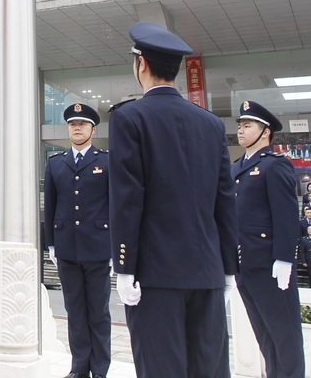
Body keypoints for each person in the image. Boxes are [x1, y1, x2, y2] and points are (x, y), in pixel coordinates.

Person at [108, 22, 237, 378]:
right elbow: (224, 199)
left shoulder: (129, 118)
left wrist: (124, 266)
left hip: (155, 275)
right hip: (207, 272)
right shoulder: (211, 124)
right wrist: (228, 267)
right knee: (207, 370)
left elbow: (127, 197)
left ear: (141, 65)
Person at [230, 100, 303, 378]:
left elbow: (286, 215)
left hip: (271, 266)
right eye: (240, 125)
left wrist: (285, 258)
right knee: (265, 336)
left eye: (248, 125)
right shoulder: (237, 167)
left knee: (284, 335)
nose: (241, 130)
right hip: (245, 264)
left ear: (266, 132)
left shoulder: (275, 165)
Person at [45, 102, 111, 378]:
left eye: (82, 124)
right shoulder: (55, 163)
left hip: (97, 246)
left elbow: (116, 204)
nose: (77, 128)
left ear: (92, 129)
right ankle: (79, 367)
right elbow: (50, 205)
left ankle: (100, 369)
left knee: (98, 312)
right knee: (75, 310)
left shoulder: (107, 161)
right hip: (67, 247)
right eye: (73, 124)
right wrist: (50, 243)